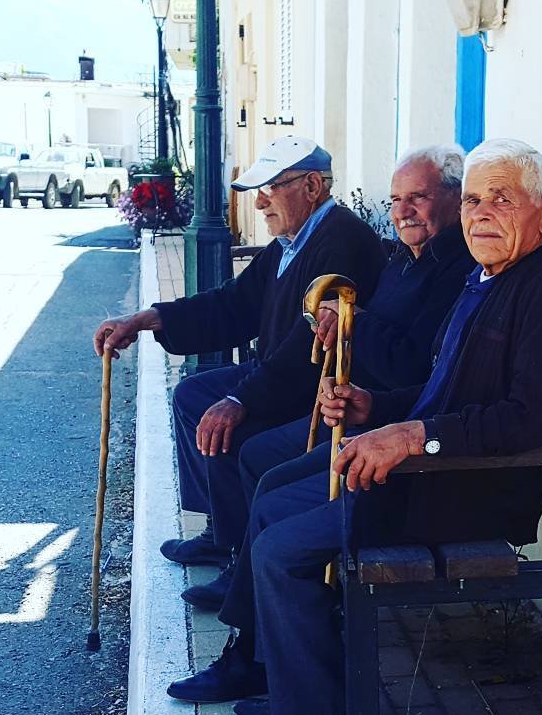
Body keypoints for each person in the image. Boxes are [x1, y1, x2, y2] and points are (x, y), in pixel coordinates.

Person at [169, 139, 542, 715]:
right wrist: (376, 407)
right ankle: (265, 664)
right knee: (274, 490)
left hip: (461, 494)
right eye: (476, 200)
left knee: (282, 548)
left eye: (501, 201)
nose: (481, 214)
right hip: (427, 471)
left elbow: (526, 419)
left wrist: (412, 436)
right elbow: (439, 391)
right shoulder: (487, 280)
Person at [177, 144, 476, 610]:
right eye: (395, 201)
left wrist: (350, 324)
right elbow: (241, 305)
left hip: (394, 437)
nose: (402, 212)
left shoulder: (457, 271)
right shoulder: (407, 258)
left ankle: (254, 615)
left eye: (417, 197)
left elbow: (412, 366)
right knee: (218, 418)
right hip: (361, 408)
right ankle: (240, 571)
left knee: (257, 462)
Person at [94, 135, 386, 573]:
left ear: (311, 186)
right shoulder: (293, 240)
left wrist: (239, 400)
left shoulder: (338, 239)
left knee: (226, 418)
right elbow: (235, 304)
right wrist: (148, 318)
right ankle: (221, 532)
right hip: (283, 377)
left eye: (271, 188)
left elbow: (308, 347)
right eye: (258, 191)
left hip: (318, 392)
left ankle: (239, 559)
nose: (260, 203)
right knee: (192, 396)